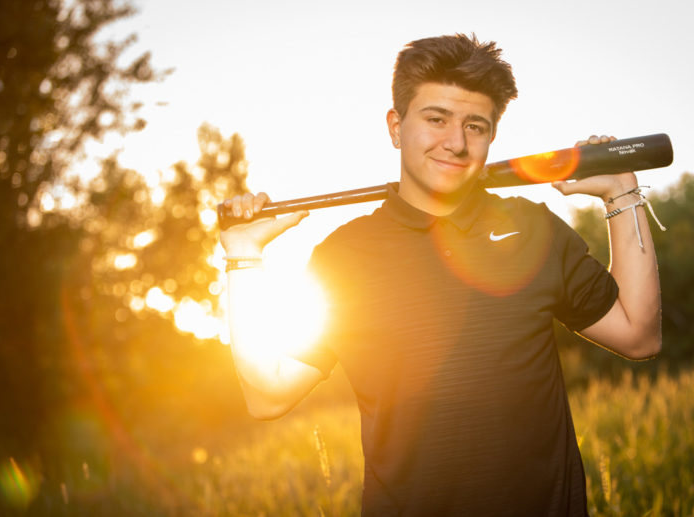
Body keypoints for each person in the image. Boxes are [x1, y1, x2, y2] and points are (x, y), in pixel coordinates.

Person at [220, 34, 661, 516]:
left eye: (476, 125)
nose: (456, 143)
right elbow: (266, 395)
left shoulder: (533, 228)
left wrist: (621, 195)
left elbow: (639, 335)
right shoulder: (344, 256)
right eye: (436, 119)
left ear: (492, 135)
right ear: (396, 125)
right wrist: (243, 257)